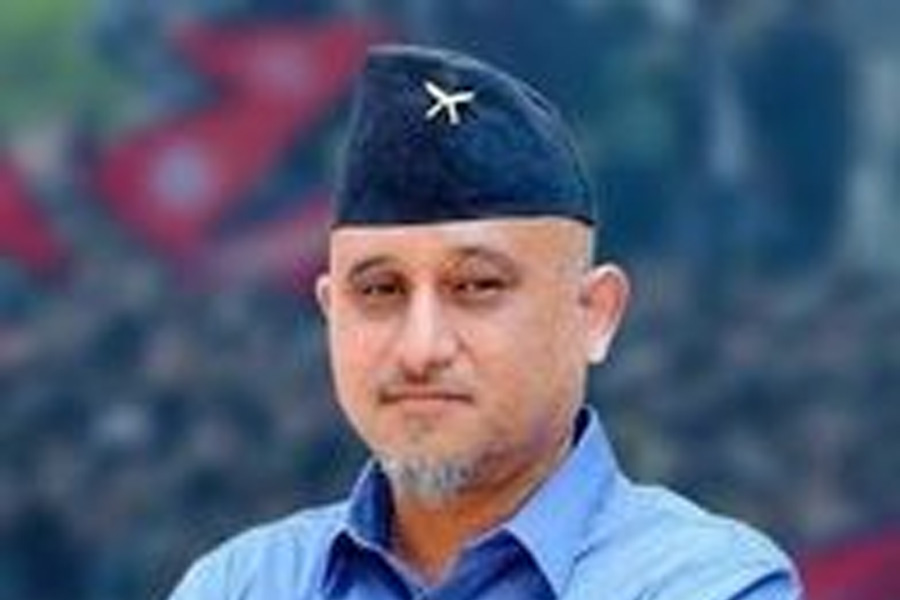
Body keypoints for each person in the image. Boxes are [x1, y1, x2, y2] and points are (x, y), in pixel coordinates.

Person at [165, 44, 802, 599]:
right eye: (380, 290)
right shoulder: (243, 582)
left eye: (476, 287)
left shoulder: (707, 582)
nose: (421, 348)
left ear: (594, 315)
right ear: (331, 313)